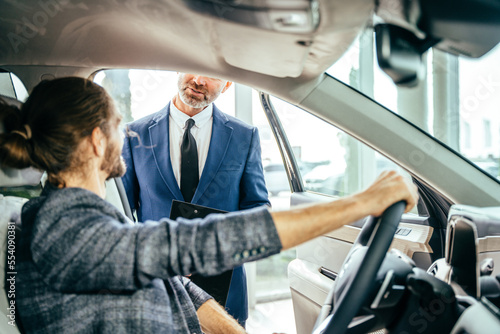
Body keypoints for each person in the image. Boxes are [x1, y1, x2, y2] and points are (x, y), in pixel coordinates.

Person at [0, 77, 418, 334]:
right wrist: (362, 202)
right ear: (96, 141)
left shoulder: (83, 222)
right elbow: (200, 244)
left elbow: (175, 282)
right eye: (114, 125)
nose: (121, 133)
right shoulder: (66, 234)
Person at [121, 73, 269, 325]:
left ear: (228, 83)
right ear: (177, 70)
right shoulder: (135, 134)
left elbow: (258, 210)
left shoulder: (245, 136)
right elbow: (122, 214)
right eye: (190, 68)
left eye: (213, 75)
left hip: (223, 295)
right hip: (155, 290)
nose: (199, 80)